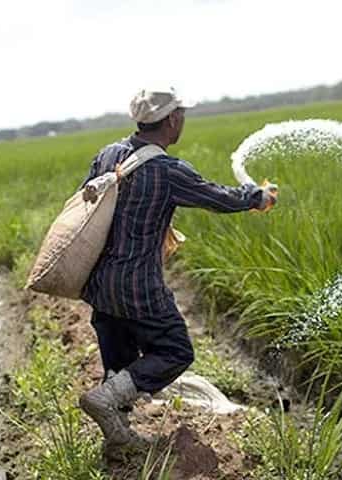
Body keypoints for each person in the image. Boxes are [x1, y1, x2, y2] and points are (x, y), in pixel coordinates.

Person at [78, 87, 277, 458]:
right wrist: (257, 197)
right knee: (174, 351)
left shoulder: (108, 155)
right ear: (172, 120)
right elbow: (217, 198)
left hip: (100, 284)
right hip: (138, 285)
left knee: (121, 365)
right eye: (181, 114)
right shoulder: (167, 170)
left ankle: (117, 440)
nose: (182, 119)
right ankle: (104, 400)